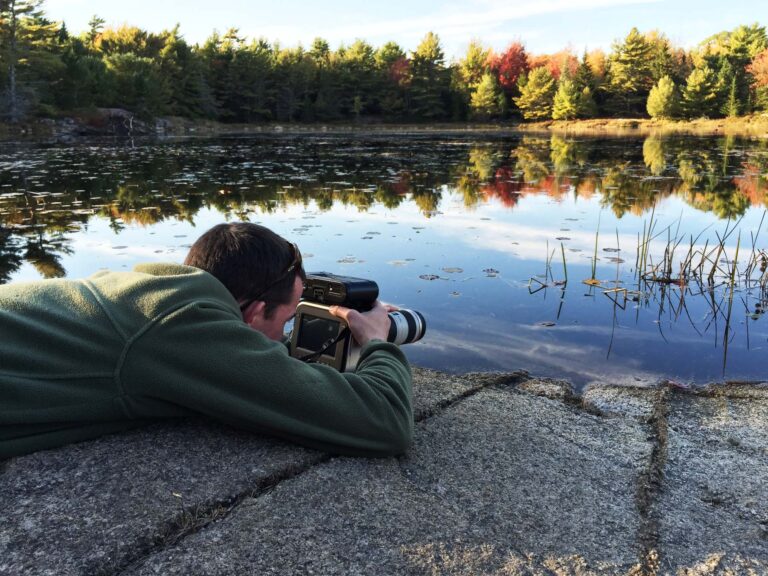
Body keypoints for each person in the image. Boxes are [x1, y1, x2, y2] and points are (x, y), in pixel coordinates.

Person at [0, 223, 413, 460]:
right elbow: (384, 422)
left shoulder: (145, 289)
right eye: (287, 321)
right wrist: (378, 342)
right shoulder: (184, 326)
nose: (285, 337)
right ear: (253, 313)